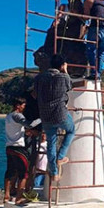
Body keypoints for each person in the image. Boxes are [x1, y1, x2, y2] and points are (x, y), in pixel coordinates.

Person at [34, 54, 76, 183]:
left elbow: (35, 92)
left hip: (45, 115)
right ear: (62, 65)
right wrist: (66, 71)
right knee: (71, 130)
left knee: (51, 144)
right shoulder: (63, 77)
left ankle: (54, 173)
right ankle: (61, 156)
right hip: (60, 114)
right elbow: (70, 86)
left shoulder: (39, 78)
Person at [4, 97, 32, 204]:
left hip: (9, 147)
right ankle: (19, 198)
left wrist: (24, 131)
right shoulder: (18, 115)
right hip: (19, 148)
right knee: (24, 174)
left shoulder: (8, 116)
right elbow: (28, 124)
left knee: (9, 172)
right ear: (18, 106)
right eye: (23, 105)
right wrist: (41, 119)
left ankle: (6, 196)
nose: (25, 108)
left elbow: (16, 129)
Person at [83, 0, 104, 80]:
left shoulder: (89, 0)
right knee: (100, 52)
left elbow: (85, 17)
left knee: (90, 49)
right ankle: (98, 73)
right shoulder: (102, 2)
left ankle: (94, 73)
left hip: (96, 27)